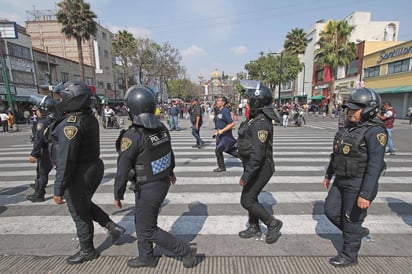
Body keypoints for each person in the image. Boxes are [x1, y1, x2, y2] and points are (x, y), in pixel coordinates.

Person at [113, 86, 197, 269]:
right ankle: (146, 256)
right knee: (142, 220)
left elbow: (123, 168)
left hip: (148, 187)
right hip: (160, 181)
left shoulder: (132, 136)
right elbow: (168, 152)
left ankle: (185, 250)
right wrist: (171, 171)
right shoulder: (161, 128)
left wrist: (117, 194)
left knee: (147, 229)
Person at [50, 80, 125, 265]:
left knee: (79, 212)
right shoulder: (87, 117)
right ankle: (111, 226)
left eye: (63, 97)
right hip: (93, 167)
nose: (60, 101)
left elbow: (66, 160)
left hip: (79, 173)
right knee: (84, 203)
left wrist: (58, 189)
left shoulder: (71, 125)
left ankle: (87, 250)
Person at [323, 88, 387, 268]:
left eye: (355, 109)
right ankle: (356, 232)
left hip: (359, 182)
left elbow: (375, 166)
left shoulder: (376, 132)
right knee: (331, 210)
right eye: (349, 108)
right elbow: (336, 153)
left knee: (352, 219)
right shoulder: (348, 128)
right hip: (341, 178)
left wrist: (366, 194)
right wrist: (329, 173)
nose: (350, 112)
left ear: (369, 109)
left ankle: (349, 255)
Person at [237, 80, 283, 244]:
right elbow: (246, 144)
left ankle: (272, 223)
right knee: (252, 197)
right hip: (253, 165)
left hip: (260, 168)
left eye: (249, 102)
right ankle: (254, 226)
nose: (246, 105)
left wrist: (246, 176)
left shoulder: (260, 124)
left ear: (257, 103)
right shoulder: (253, 119)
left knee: (247, 200)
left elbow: (257, 156)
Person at [26, 95, 56, 202]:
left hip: (46, 150)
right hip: (56, 150)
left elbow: (38, 140)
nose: (36, 112)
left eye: (38, 109)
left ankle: (39, 194)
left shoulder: (42, 122)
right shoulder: (56, 118)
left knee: (42, 173)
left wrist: (34, 154)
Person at [213, 96, 239, 172]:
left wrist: (222, 130)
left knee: (218, 150)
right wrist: (217, 132)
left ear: (223, 102)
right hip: (220, 135)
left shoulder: (225, 111)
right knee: (228, 150)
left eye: (218, 101)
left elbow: (232, 124)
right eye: (217, 101)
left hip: (225, 136)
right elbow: (221, 123)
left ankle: (221, 167)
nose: (217, 102)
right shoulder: (219, 111)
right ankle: (245, 158)